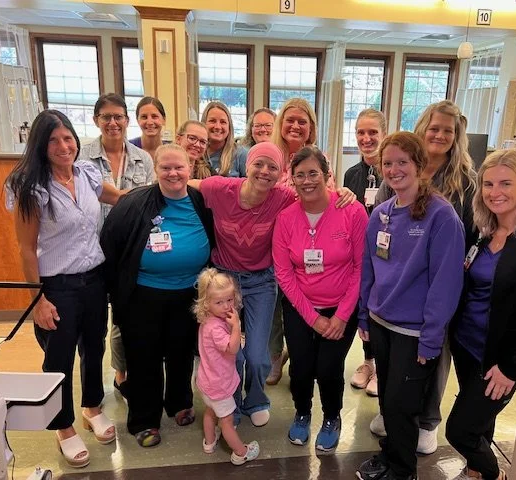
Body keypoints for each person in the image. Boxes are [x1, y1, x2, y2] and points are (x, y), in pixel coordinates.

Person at [187, 142, 355, 428]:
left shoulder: (283, 196)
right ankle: (230, 404)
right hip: (225, 279)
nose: (264, 172)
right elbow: (187, 183)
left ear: (280, 174)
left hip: (261, 281)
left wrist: (342, 192)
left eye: (273, 167)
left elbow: (314, 191)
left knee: (257, 355)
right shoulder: (220, 187)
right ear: (247, 165)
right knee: (228, 352)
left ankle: (256, 399)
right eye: (258, 164)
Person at [6, 110, 123, 468]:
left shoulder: (86, 174)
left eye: (68, 138)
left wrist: (171, 186)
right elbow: (27, 249)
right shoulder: (32, 187)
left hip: (94, 279)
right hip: (57, 286)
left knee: (93, 347)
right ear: (41, 146)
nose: (63, 146)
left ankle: (91, 408)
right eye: (54, 140)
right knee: (58, 358)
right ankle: (63, 427)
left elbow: (119, 198)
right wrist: (37, 299)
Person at [356, 132, 464, 480]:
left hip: (413, 332)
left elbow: (445, 284)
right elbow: (369, 267)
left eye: (403, 162)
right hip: (381, 323)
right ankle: (390, 456)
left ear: (419, 165)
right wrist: (364, 316)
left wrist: (431, 339)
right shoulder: (383, 214)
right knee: (388, 401)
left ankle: (403, 471)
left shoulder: (441, 217)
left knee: (403, 406)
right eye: (388, 163)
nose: (394, 169)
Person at [371, 100, 476, 452]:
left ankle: (426, 421)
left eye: (449, 129)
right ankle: (395, 416)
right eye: (435, 127)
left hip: (434, 294)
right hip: (392, 303)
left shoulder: (462, 185)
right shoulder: (391, 187)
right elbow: (380, 243)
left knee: (432, 356)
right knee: (396, 379)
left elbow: (472, 234)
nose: (441, 134)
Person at [99, 144, 215, 447]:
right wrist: (115, 292)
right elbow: (110, 245)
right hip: (143, 296)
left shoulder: (200, 201)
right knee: (143, 358)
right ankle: (144, 419)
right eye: (166, 168)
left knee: (180, 353)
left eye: (179, 167)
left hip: (189, 293)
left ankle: (178, 404)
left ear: (190, 169)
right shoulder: (134, 203)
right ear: (156, 170)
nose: (173, 173)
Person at [446, 149, 516, 480]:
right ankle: (476, 470)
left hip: (500, 359)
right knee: (480, 424)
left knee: (459, 431)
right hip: (467, 347)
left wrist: (512, 367)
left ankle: (493, 474)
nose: (495, 192)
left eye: (506, 183)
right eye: (488, 184)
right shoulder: (484, 231)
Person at [272, 145, 368, 452]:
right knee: (300, 368)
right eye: (299, 175)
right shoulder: (286, 218)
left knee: (328, 368)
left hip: (342, 306)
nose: (307, 181)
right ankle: (302, 412)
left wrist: (340, 316)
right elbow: (284, 273)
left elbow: (360, 267)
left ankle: (331, 417)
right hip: (301, 307)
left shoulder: (351, 211)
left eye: (313, 173)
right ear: (292, 180)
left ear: (327, 175)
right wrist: (313, 318)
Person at [79, 93, 155, 399]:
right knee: (104, 319)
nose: (113, 123)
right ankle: (117, 374)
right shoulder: (82, 156)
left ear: (126, 121)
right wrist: (131, 198)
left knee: (128, 313)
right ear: (97, 120)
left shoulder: (143, 158)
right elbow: (96, 193)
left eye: (118, 117)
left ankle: (127, 372)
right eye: (106, 117)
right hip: (95, 249)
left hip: (134, 247)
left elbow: (151, 201)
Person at [266, 98, 334, 385]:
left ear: (311, 128)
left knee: (299, 306)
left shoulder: (320, 157)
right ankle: (273, 357)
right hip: (269, 246)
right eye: (290, 120)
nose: (295, 126)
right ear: (281, 124)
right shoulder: (271, 155)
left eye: (302, 122)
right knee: (272, 308)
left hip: (309, 248)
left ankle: (298, 355)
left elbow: (330, 195)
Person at [194, 268, 260, 465]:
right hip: (220, 386)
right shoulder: (217, 328)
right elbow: (232, 349)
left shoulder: (207, 320)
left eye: (229, 300)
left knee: (209, 412)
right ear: (207, 303)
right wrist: (237, 327)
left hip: (206, 381)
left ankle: (209, 442)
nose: (226, 306)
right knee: (227, 422)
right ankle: (241, 452)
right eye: (219, 302)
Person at [344, 108, 387, 398]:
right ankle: (367, 362)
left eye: (373, 132)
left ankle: (382, 368)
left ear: (384, 134)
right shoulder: (352, 174)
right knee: (364, 309)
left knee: (383, 310)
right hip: (361, 256)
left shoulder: (393, 170)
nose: (366, 138)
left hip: (390, 255)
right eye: (361, 132)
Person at [201, 101, 247, 177]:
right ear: (203, 123)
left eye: (223, 122)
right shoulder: (197, 152)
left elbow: (252, 186)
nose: (217, 127)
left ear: (229, 127)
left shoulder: (241, 155)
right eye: (212, 121)